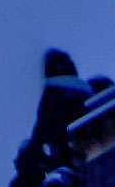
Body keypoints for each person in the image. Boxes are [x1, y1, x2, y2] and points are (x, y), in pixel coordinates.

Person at [9, 49, 97, 187]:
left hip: (68, 161)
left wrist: (28, 160)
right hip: (90, 157)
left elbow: (41, 132)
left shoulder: (52, 95)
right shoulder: (89, 94)